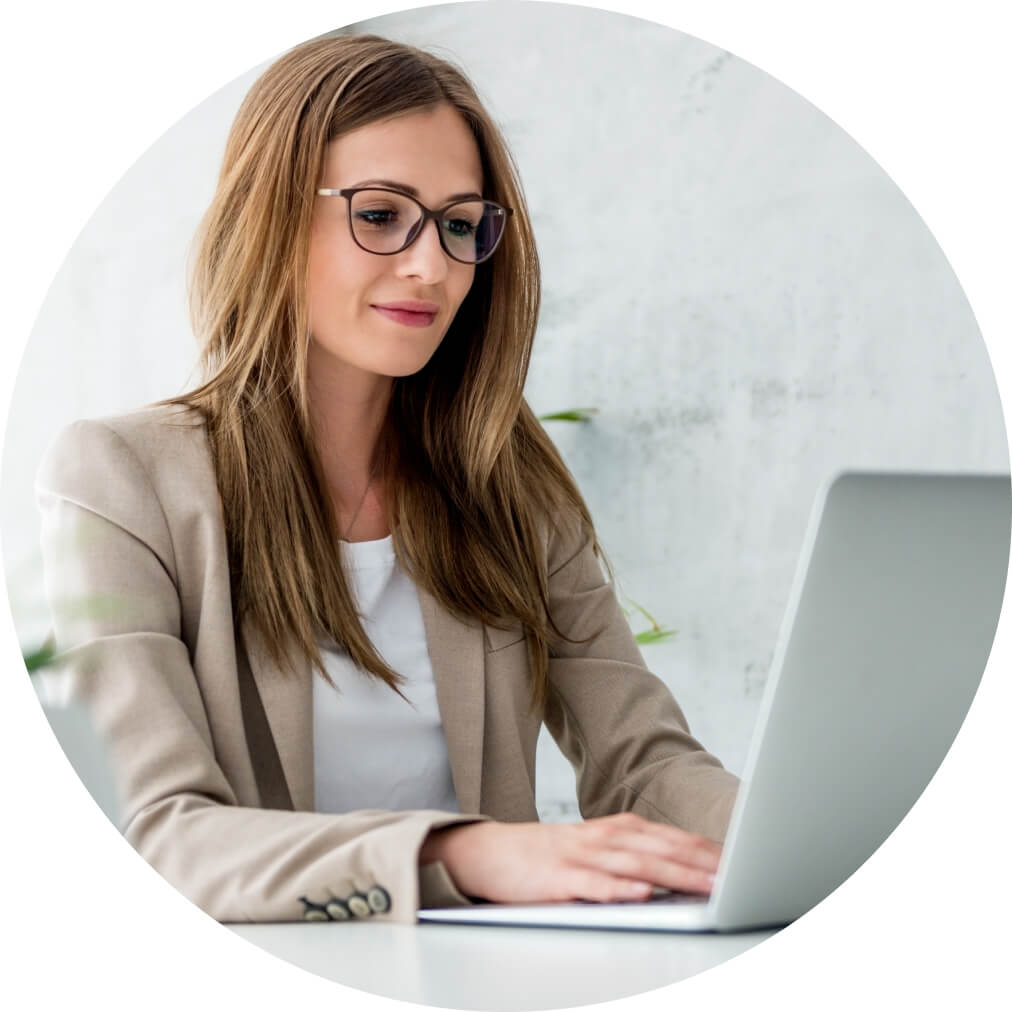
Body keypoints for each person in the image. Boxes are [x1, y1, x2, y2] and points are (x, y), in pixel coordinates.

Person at [36, 33, 740, 924]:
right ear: (271, 214)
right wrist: (459, 851)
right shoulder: (121, 479)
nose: (431, 266)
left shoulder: (504, 480)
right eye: (379, 214)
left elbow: (645, 764)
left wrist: (792, 836)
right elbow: (158, 835)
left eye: (457, 223)